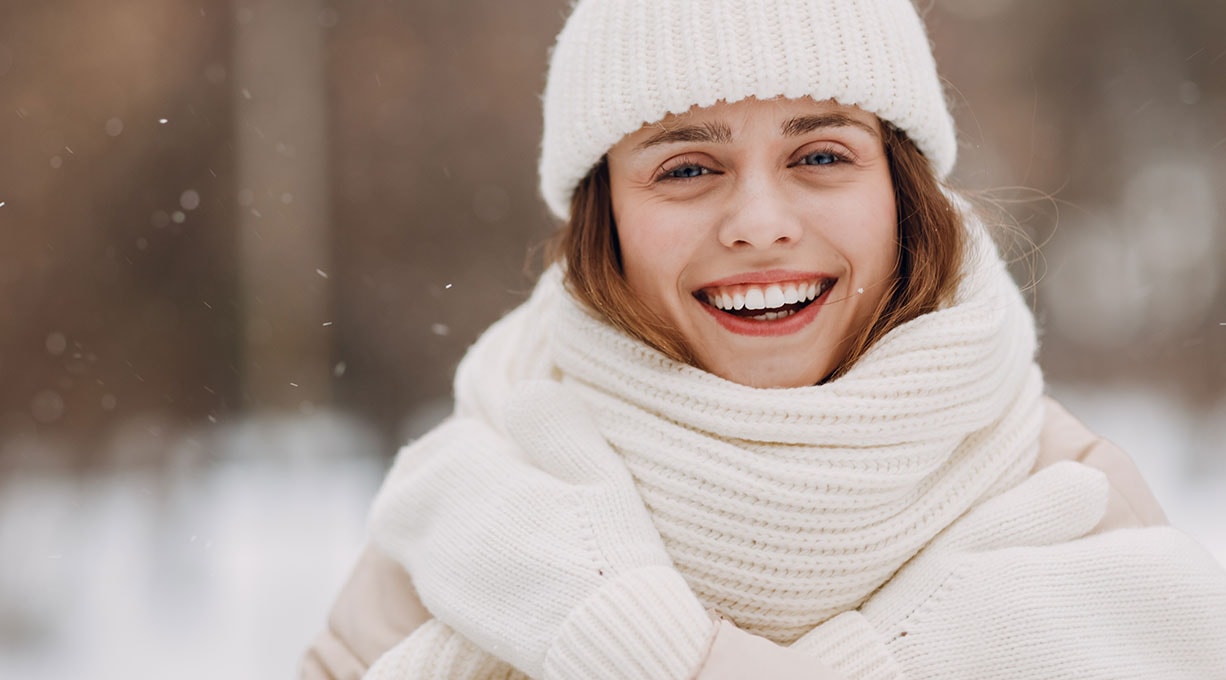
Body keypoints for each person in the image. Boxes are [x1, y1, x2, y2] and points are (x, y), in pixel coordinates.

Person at [302, 1, 1226, 678]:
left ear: (902, 193)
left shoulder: (1071, 511)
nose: (759, 222)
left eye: (820, 155)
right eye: (687, 166)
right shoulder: (475, 507)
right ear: (606, 217)